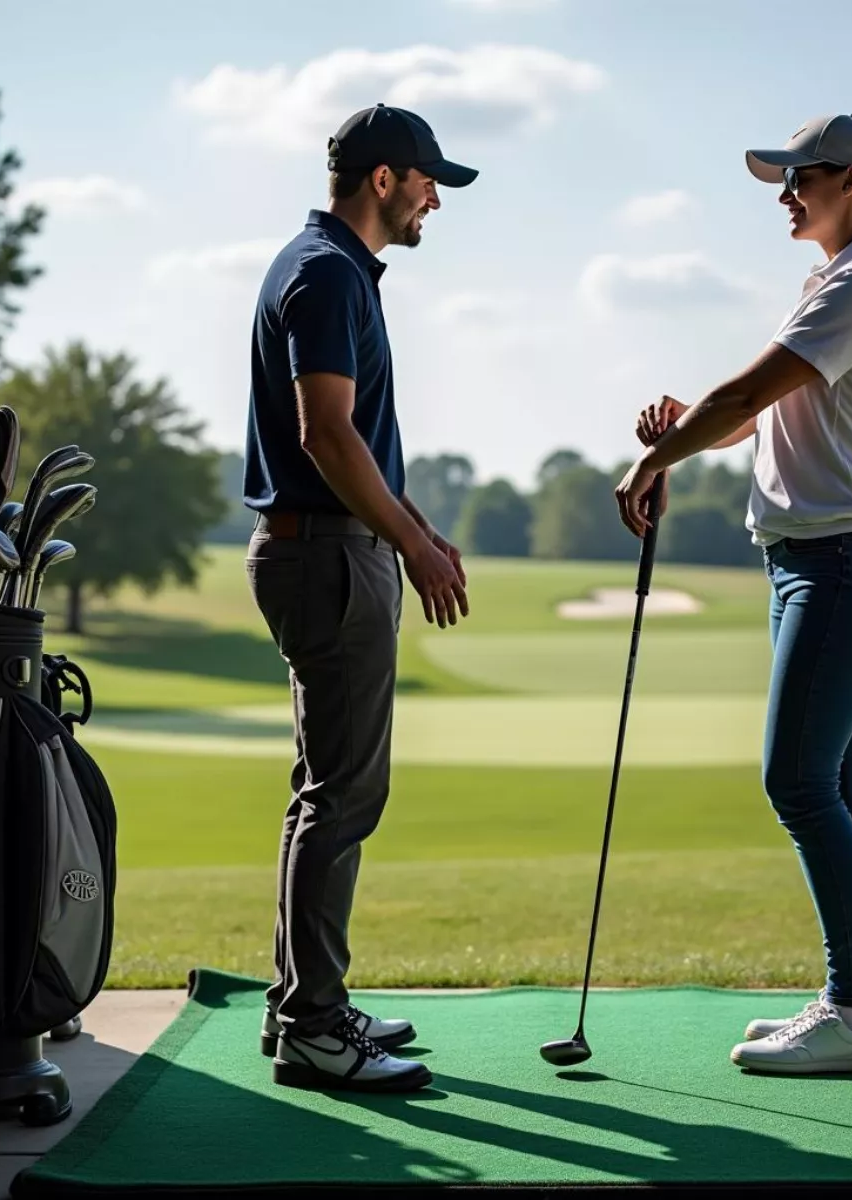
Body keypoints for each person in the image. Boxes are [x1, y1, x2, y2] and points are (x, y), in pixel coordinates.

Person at [616, 114, 852, 1075]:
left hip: (841, 562)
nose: (786, 194)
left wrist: (656, 458)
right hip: (822, 561)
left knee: (797, 781)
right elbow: (768, 417)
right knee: (839, 786)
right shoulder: (833, 282)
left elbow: (748, 396)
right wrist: (686, 428)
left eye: (803, 178)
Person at [242, 104, 477, 1094]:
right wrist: (410, 546)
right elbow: (326, 435)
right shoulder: (329, 272)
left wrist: (417, 525)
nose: (434, 199)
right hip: (327, 556)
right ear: (384, 179)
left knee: (325, 792)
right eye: (427, 181)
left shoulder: (329, 266)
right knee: (344, 795)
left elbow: (360, 446)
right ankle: (312, 1025)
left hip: (328, 549)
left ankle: (308, 1003)